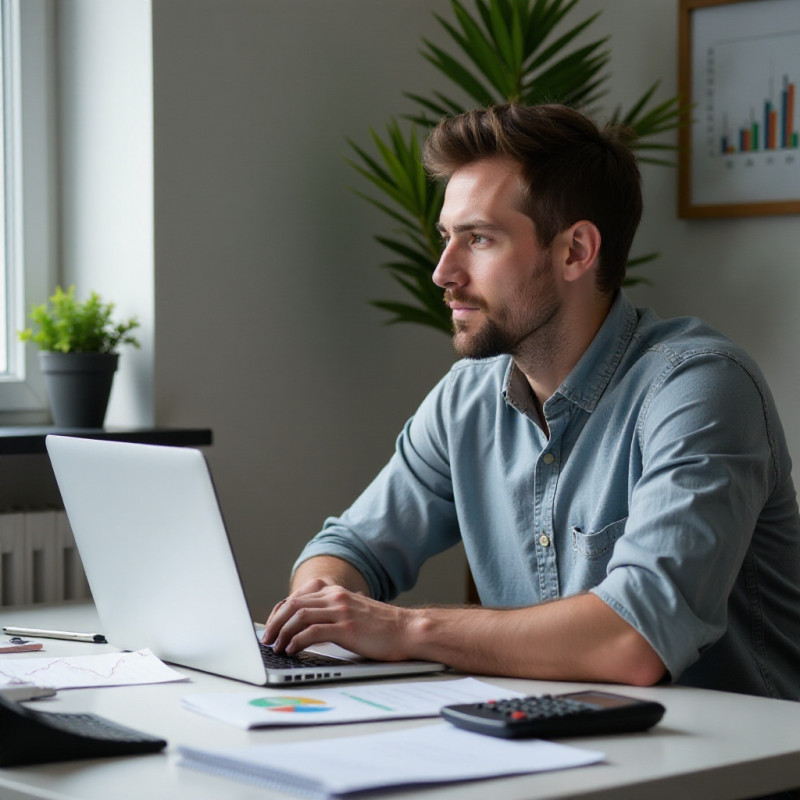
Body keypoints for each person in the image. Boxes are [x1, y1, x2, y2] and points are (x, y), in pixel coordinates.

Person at [264, 103, 800, 699]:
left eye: (479, 239)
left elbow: (635, 638)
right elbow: (349, 547)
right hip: (555, 748)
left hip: (740, 769)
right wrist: (321, 601)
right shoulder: (467, 397)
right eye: (447, 238)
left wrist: (404, 628)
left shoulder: (699, 388)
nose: (443, 272)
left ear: (575, 251)